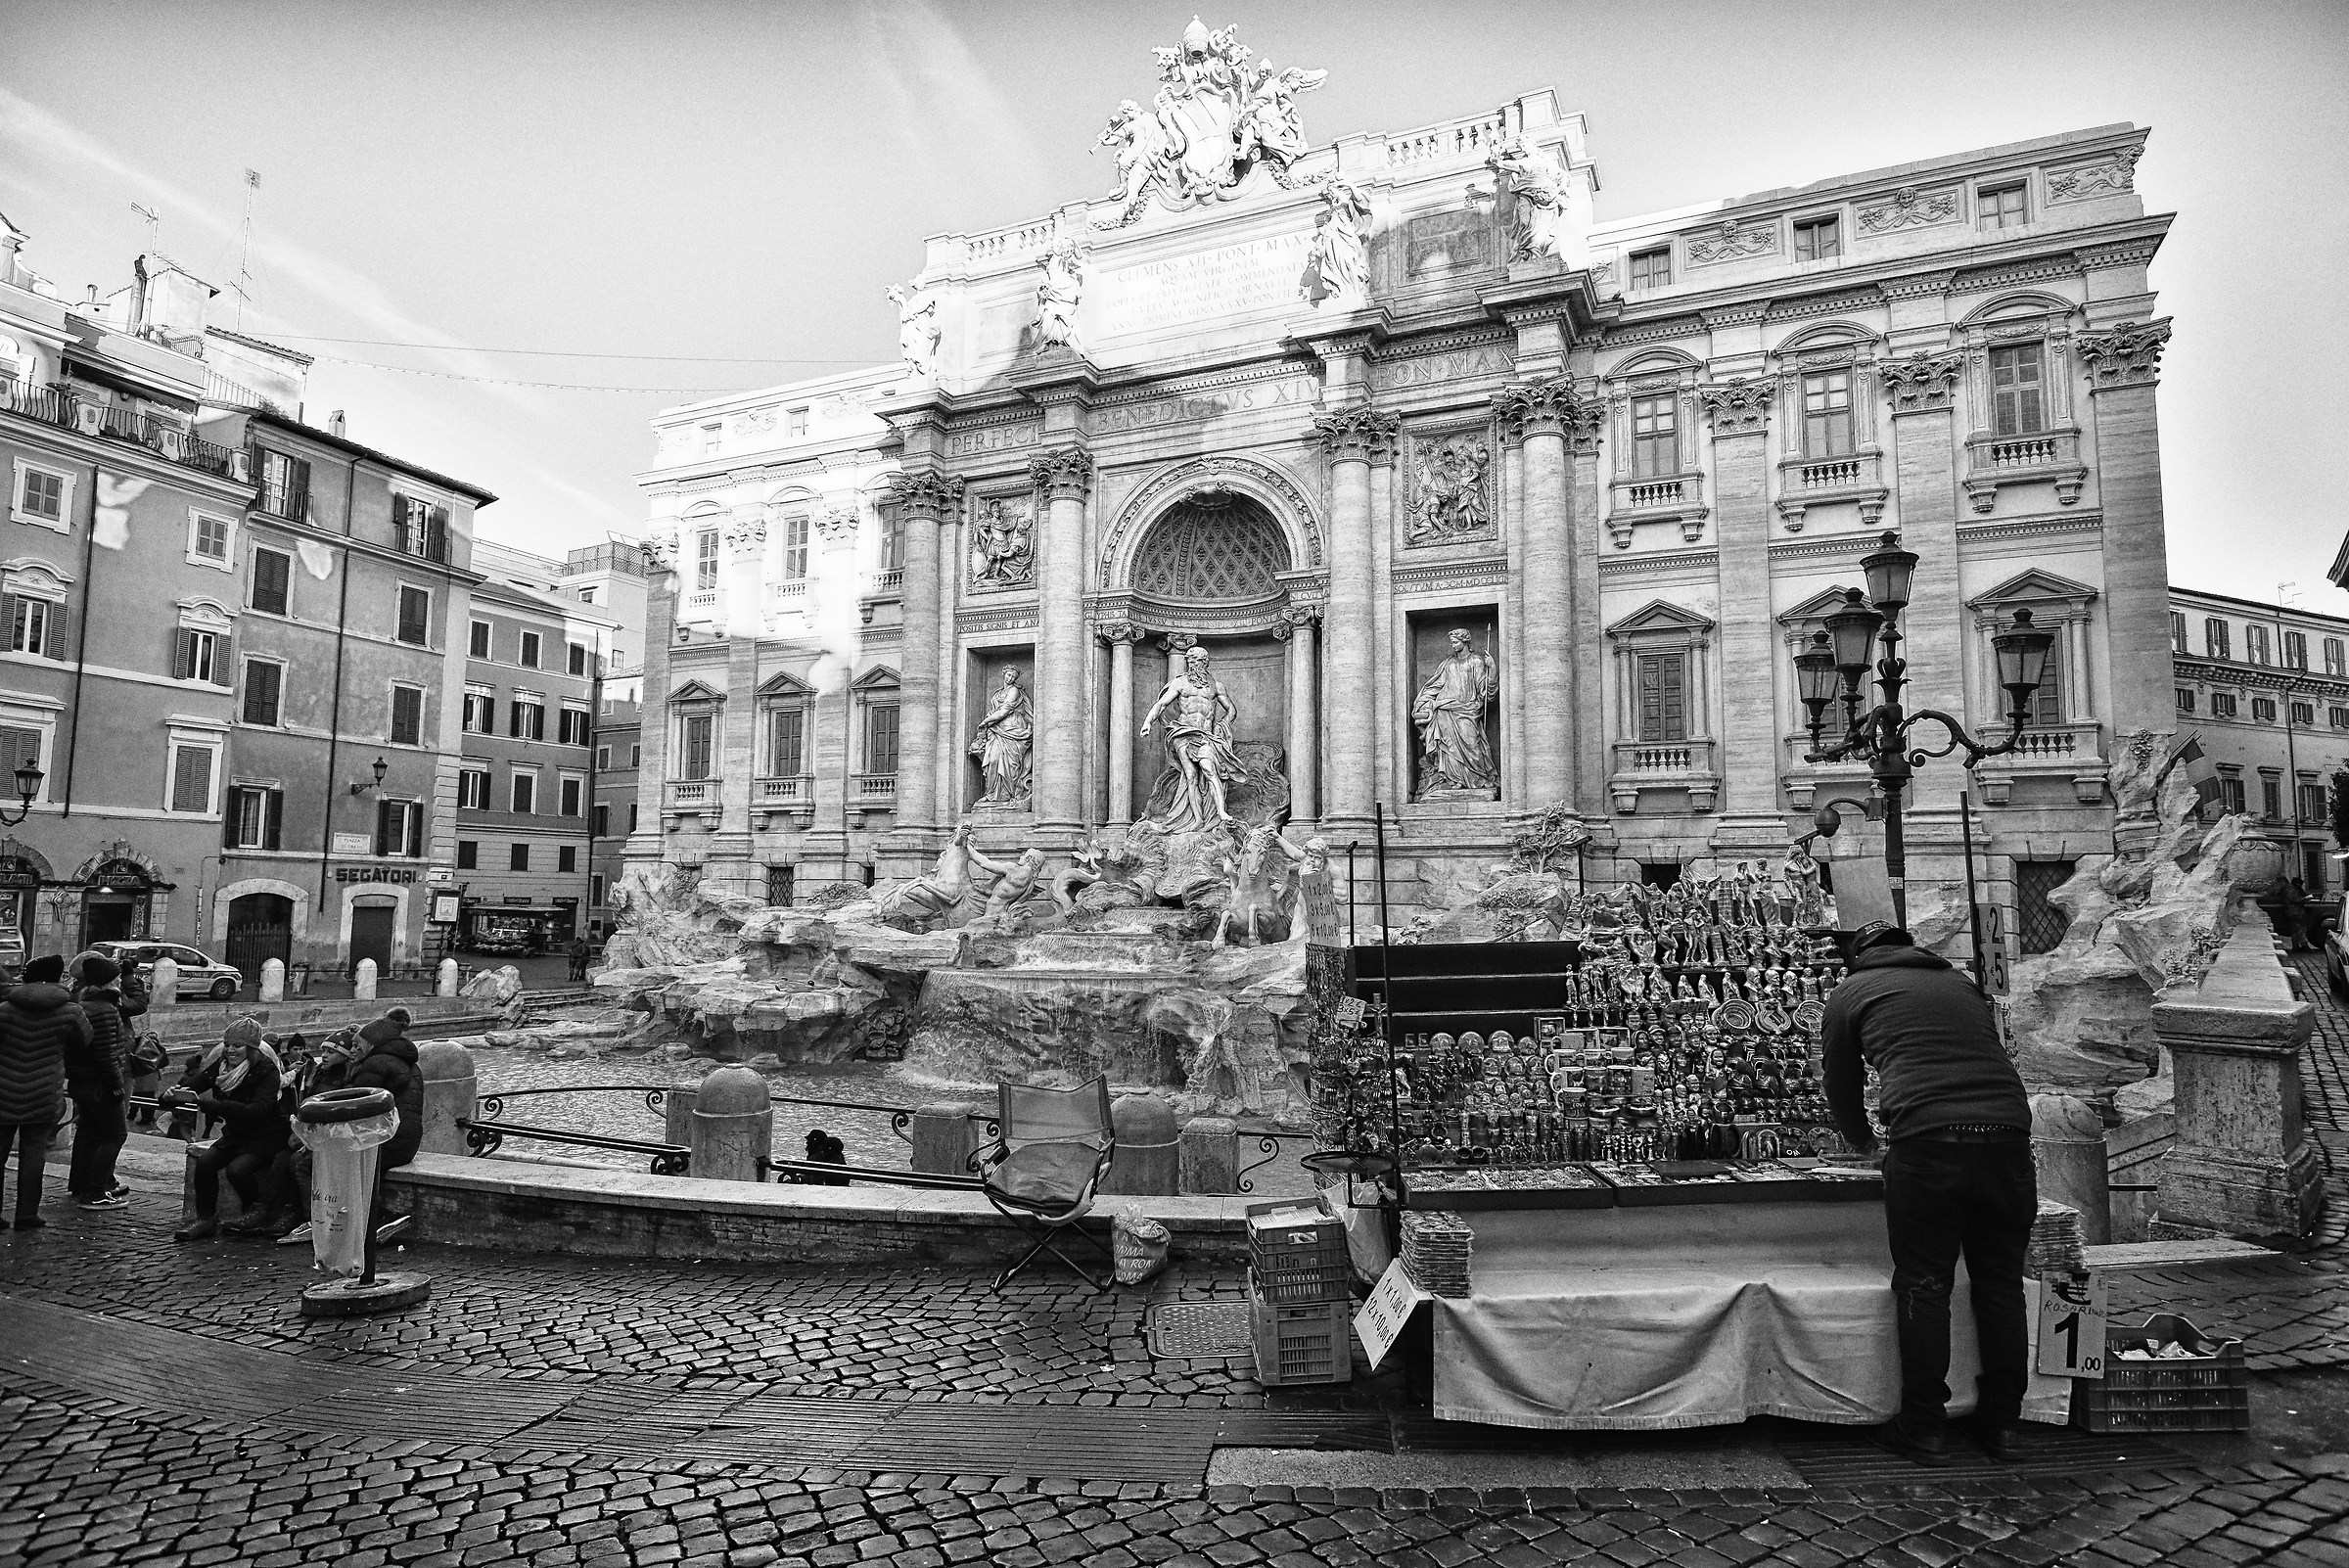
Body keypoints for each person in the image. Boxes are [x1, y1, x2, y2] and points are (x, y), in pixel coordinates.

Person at [1822, 920, 2034, 1466]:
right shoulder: (1962, 982)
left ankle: (1924, 1425)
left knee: (1924, 1283)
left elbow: (1841, 1084)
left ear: (1860, 958)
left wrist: (1863, 1142)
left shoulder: (1851, 991)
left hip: (1929, 1144)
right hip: (2009, 1139)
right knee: (2001, 1285)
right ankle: (2004, 1423)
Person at [167, 1018, 289, 1241]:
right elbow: (198, 1083)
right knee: (205, 1164)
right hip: (237, 1132)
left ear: (251, 1048)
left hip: (267, 1133)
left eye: (237, 1046)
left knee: (238, 1169)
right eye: (227, 1044)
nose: (231, 1050)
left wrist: (218, 1106)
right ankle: (206, 1219)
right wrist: (173, 1095)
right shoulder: (221, 1066)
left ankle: (256, 1211)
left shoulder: (266, 1070)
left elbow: (259, 1110)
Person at [0, 955, 90, 1230]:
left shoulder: (5, 1008)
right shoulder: (70, 1010)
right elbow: (85, 1041)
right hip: (44, 1091)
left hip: (3, 1090)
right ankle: (27, 1215)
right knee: (34, 1154)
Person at [345, 1008, 424, 1259]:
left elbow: (355, 1104)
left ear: (372, 1043)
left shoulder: (376, 1063)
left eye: (361, 1043)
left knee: (346, 1162)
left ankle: (373, 1219)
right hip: (407, 1141)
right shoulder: (411, 1063)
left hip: (387, 1140)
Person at [64, 951, 133, 1211]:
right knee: (115, 1135)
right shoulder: (104, 1010)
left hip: (82, 1082)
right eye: (117, 979)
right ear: (108, 983)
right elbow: (106, 1055)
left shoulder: (85, 1006)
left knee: (91, 1133)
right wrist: (116, 1086)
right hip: (98, 1084)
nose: (120, 983)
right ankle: (96, 1192)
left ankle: (83, 1185)